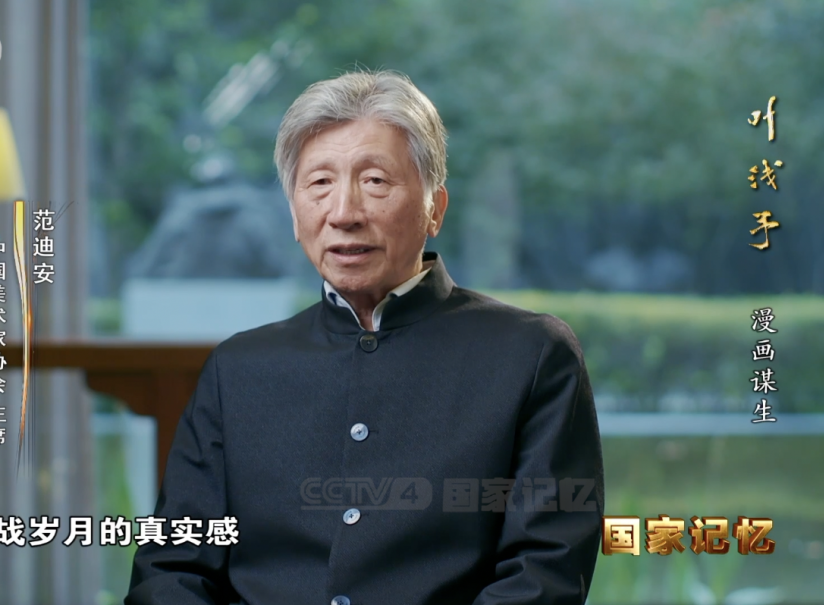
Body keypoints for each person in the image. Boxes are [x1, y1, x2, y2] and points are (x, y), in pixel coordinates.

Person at [125, 69, 604, 605]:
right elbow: (171, 567)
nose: (344, 213)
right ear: (294, 214)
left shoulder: (532, 355)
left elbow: (544, 574)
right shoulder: (236, 368)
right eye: (319, 184)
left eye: (375, 181)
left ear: (436, 208)